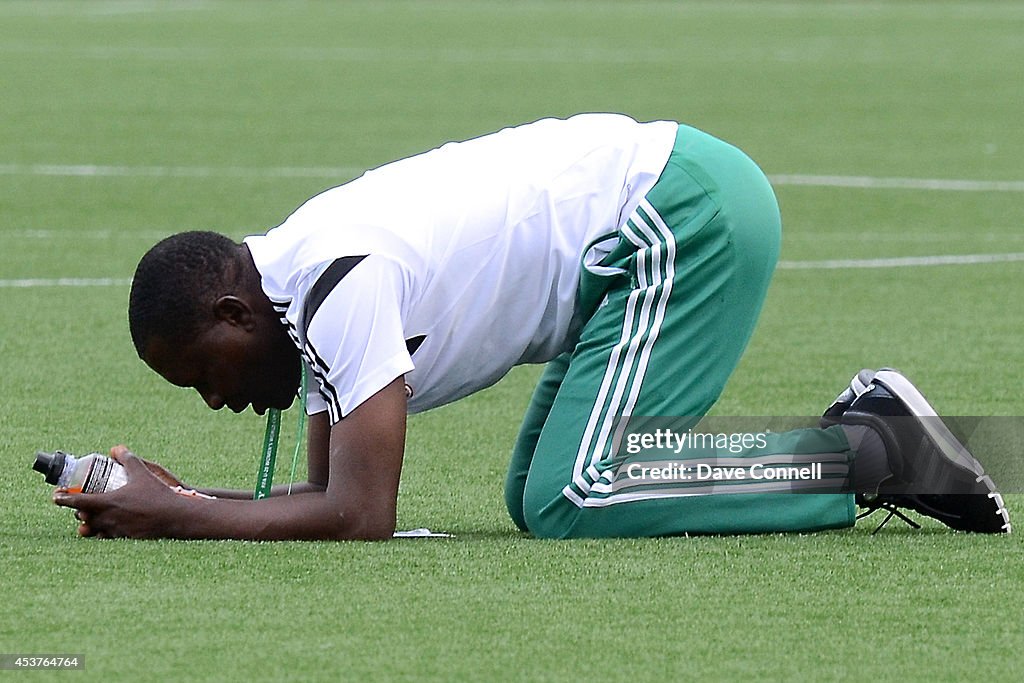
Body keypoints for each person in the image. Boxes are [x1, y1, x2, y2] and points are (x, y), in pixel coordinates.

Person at [54, 113, 1011, 539]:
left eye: (205, 372)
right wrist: (180, 498)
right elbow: (322, 500)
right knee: (537, 494)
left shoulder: (336, 277)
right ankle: (872, 437)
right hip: (662, 216)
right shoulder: (302, 300)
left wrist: (177, 514)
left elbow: (358, 517)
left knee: (576, 495)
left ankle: (881, 452)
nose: (218, 397)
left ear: (232, 311)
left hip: (683, 215)